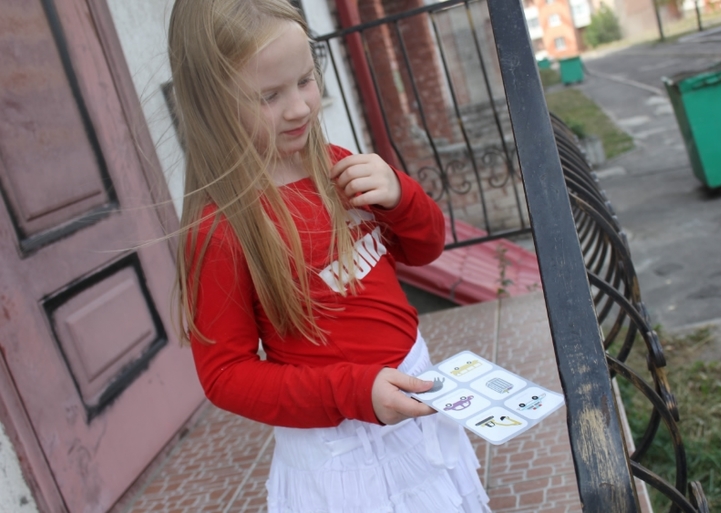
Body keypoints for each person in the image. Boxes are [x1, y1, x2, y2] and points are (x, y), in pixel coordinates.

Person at [168, 0, 490, 511]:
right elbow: (225, 376)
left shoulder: (338, 166)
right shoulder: (220, 230)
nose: (299, 107)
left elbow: (425, 247)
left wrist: (400, 194)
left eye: (305, 80)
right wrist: (354, 390)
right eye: (269, 95)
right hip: (344, 452)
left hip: (413, 401)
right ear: (212, 104)